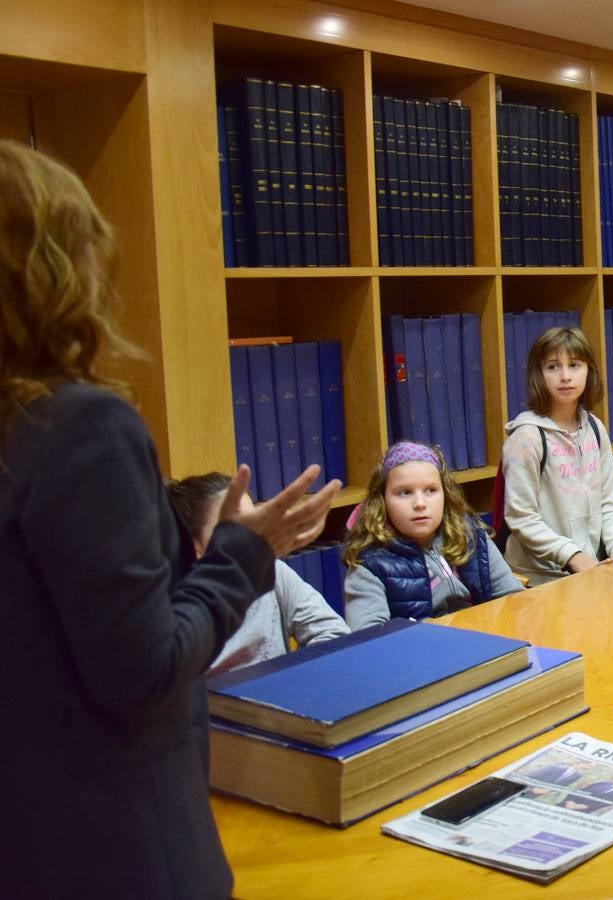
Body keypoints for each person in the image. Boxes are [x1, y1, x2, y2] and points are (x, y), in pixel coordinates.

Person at [0, 139, 339, 897]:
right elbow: (141, 671)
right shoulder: (79, 428)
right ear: (60, 268)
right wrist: (242, 552)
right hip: (116, 846)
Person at [170, 473, 349, 674]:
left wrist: (294, 680)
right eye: (233, 529)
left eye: (253, 527)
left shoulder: (272, 569)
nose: (247, 539)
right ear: (193, 544)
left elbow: (334, 634)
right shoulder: (179, 605)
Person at [343, 441, 523, 630]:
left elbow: (513, 601)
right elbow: (369, 637)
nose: (420, 503)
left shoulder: (470, 535)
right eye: (404, 492)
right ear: (382, 500)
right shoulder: (369, 563)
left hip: (486, 637)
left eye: (430, 490)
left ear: (445, 494)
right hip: (421, 646)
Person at [502, 326, 613, 585]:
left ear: (588, 371)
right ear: (538, 374)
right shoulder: (527, 437)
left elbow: (610, 499)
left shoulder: (595, 428)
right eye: (553, 367)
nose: (565, 376)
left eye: (574, 365)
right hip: (537, 579)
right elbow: (521, 517)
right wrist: (573, 556)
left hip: (590, 567)